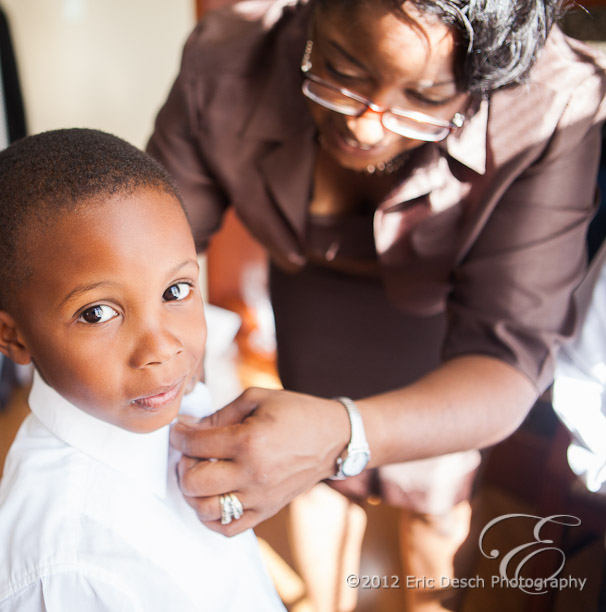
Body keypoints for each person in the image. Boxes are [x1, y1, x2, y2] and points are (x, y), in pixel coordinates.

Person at [147, 0, 606, 610]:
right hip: (313, 309)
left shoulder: (554, 105)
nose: (365, 127)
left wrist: (346, 432)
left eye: (426, 98)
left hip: (450, 349)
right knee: (313, 482)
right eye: (341, 70)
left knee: (438, 511)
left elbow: (507, 356)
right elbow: (150, 253)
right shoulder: (226, 58)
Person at [0, 128, 285, 611]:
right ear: (12, 336)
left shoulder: (172, 393)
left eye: (176, 291)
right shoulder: (66, 568)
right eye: (96, 314)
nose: (161, 349)